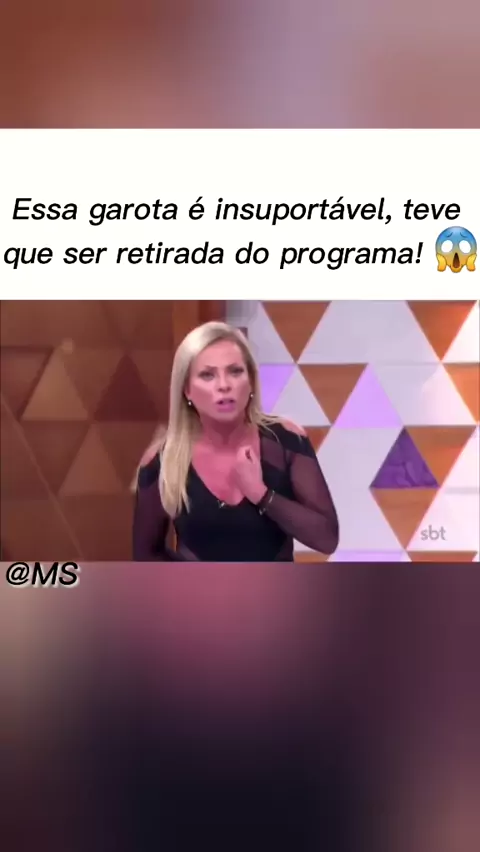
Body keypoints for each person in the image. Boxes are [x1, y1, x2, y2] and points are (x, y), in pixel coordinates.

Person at [133, 321, 339, 561]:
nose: (224, 385)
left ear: (250, 381)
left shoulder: (285, 441)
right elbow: (146, 555)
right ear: (186, 389)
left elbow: (327, 538)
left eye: (235, 371)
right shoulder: (162, 460)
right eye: (207, 375)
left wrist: (261, 494)